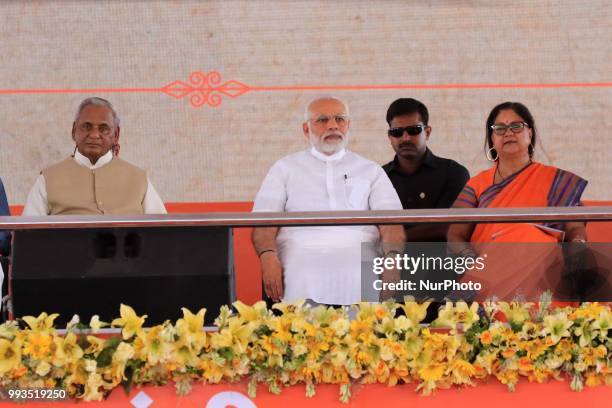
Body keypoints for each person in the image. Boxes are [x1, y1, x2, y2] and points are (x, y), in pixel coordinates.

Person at [251, 96, 405, 305]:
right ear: (306, 129)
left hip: (360, 261)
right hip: (300, 263)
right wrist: (267, 256)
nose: (333, 125)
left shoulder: (370, 170)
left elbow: (392, 221)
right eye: (322, 120)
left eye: (340, 119)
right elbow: (263, 221)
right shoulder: (285, 168)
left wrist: (393, 259)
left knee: (363, 330)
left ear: (348, 125)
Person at [447, 101, 588, 301]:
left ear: (529, 134)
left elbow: (575, 229)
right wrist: (474, 263)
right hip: (486, 273)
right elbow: (454, 234)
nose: (508, 133)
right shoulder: (477, 184)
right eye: (500, 128)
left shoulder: (556, 181)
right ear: (492, 139)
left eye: (516, 126)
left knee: (527, 234)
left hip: (543, 276)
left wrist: (578, 255)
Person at [23, 97, 166, 215]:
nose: (94, 134)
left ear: (115, 135)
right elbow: (26, 237)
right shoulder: (47, 179)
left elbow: (162, 234)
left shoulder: (139, 179)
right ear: (74, 131)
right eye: (86, 126)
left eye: (104, 129)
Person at [383, 98, 469, 241]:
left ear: (427, 132)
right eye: (397, 132)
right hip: (389, 260)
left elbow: (450, 225)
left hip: (438, 261)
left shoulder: (453, 173)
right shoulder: (379, 177)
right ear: (390, 137)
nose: (406, 138)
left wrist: (400, 237)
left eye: (414, 130)